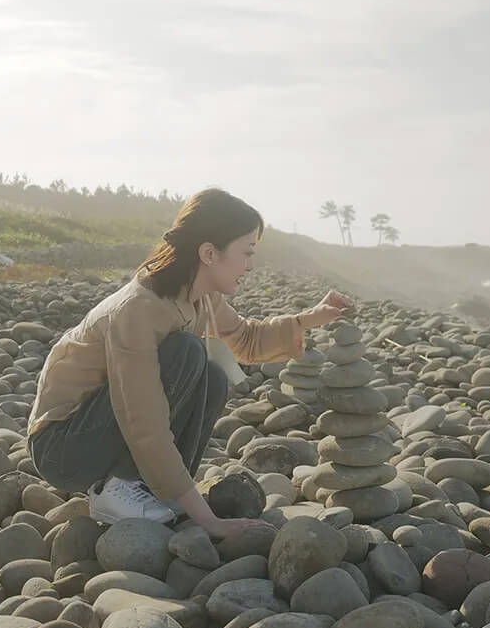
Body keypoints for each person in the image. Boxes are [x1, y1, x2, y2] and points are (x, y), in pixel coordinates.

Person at [28, 188, 354, 537]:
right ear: (209, 253)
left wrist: (311, 318)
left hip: (101, 432)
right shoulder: (139, 309)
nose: (250, 265)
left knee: (212, 376)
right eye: (246, 253)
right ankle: (116, 489)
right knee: (187, 351)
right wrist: (208, 521)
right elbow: (143, 421)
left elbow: (246, 339)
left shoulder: (199, 295)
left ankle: (152, 490)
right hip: (63, 447)